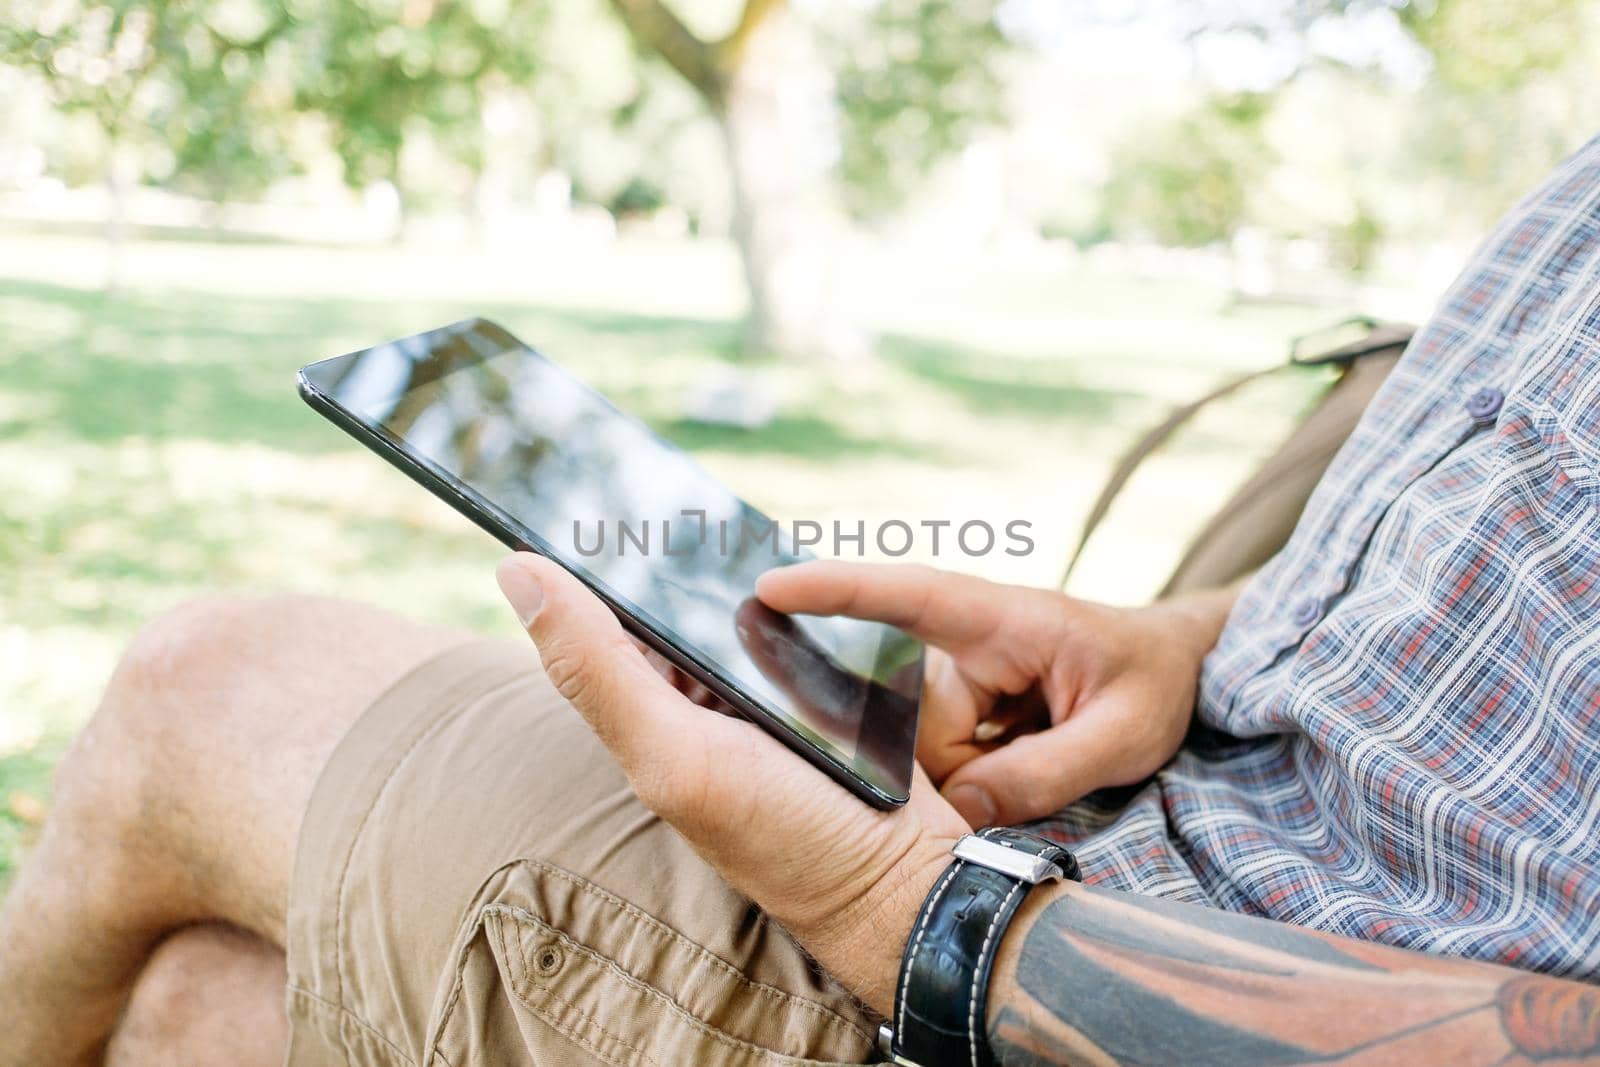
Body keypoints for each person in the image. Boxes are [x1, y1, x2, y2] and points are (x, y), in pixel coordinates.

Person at [4, 135, 1600, 1067]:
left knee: (200, 691)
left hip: (1061, 975)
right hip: (1120, 826)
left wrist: (902, 911)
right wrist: (1191, 637)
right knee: (195, 1005)